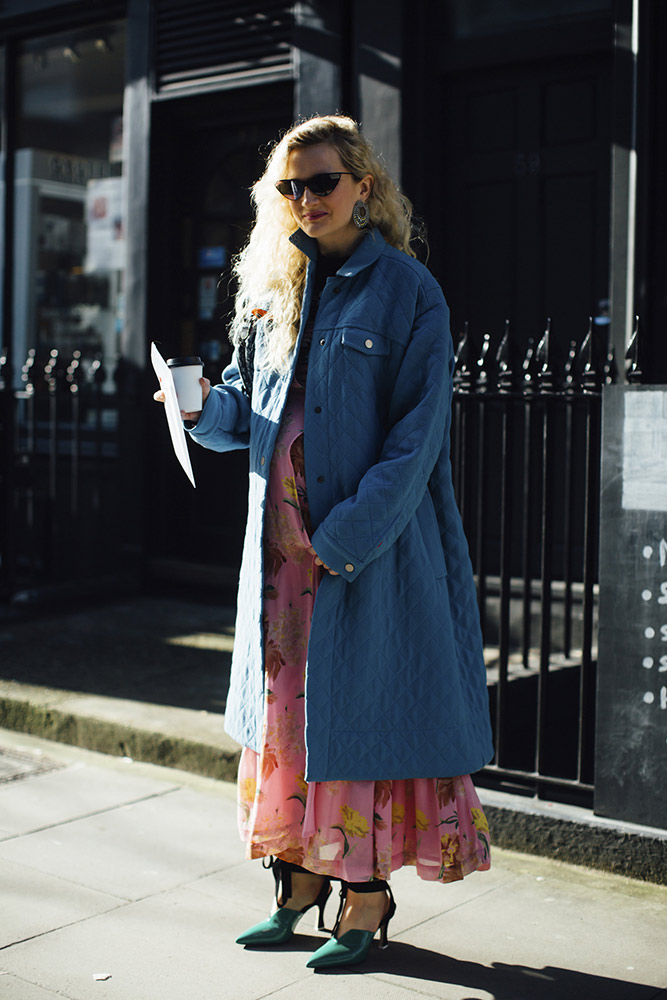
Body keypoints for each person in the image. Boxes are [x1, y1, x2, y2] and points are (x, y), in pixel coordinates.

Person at [154, 114, 494, 970]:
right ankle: (297, 884)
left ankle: (365, 900)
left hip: (359, 558)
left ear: (363, 186)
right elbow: (244, 415)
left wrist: (344, 539)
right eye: (290, 186)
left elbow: (416, 439)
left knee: (360, 720)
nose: (305, 199)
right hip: (277, 561)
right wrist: (198, 410)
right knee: (291, 719)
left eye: (322, 182)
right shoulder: (272, 288)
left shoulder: (408, 289)